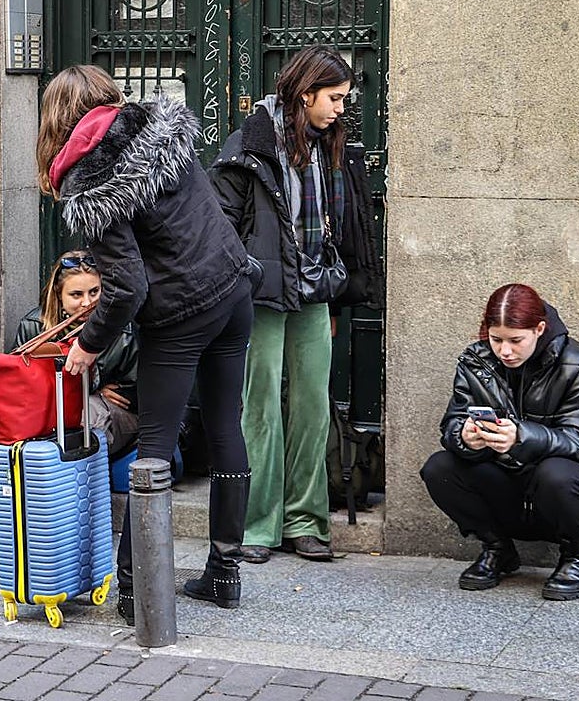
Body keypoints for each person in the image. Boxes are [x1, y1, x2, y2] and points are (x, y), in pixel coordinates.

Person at [38, 65, 256, 624]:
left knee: (154, 446)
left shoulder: (92, 180)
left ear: (58, 121)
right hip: (232, 289)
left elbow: (129, 285)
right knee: (226, 425)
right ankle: (225, 573)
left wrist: (88, 343)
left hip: (181, 313)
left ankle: (137, 589)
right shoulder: (155, 127)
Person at [211, 45, 355, 563]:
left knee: (314, 405)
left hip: (314, 291)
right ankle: (256, 525)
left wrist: (341, 295)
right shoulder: (249, 143)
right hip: (263, 294)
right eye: (334, 98)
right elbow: (221, 224)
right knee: (262, 407)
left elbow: (346, 222)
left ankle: (306, 521)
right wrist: (245, 275)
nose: (341, 108)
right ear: (306, 92)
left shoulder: (332, 145)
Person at [420, 283, 579, 601]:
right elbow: (451, 425)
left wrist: (521, 436)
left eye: (515, 340)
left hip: (571, 497)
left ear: (539, 329)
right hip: (508, 490)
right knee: (439, 467)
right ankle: (498, 549)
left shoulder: (578, 364)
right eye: (496, 339)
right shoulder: (476, 360)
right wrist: (465, 436)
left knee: (555, 473)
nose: (505, 351)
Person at [14, 249, 140, 459]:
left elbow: (136, 393)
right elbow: (21, 385)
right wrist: (95, 389)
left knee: (86, 414)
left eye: (94, 292)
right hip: (51, 411)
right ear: (58, 294)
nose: (87, 303)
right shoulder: (33, 326)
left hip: (113, 416)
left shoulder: (123, 329)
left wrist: (96, 394)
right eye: (76, 295)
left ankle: (78, 479)